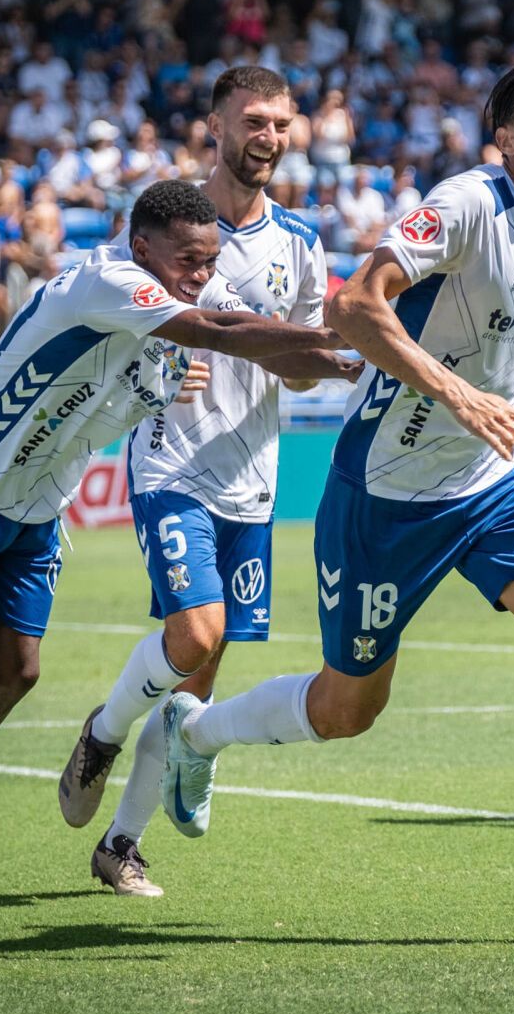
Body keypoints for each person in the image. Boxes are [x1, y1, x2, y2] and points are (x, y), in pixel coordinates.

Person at [157, 62, 514, 944]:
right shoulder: (466, 202)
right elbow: (355, 305)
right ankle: (199, 735)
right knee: (348, 709)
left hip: (487, 481)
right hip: (384, 490)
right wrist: (461, 395)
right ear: (504, 139)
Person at [0, 180, 343, 932]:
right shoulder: (106, 279)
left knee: (16, 669)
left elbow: (188, 348)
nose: (201, 275)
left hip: (37, 501)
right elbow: (217, 328)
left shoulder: (166, 328)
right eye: (187, 259)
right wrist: (352, 354)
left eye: (211, 261)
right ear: (141, 246)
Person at [60, 67, 353, 898]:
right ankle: (103, 730)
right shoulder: (162, 224)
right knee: (193, 632)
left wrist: (332, 366)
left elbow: (294, 361)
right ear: (215, 125)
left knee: (198, 681)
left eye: (281, 124)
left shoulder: (299, 241)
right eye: (253, 121)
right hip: (170, 462)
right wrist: (161, 362)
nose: (269, 137)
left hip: (252, 479)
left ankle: (122, 842)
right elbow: (113, 323)